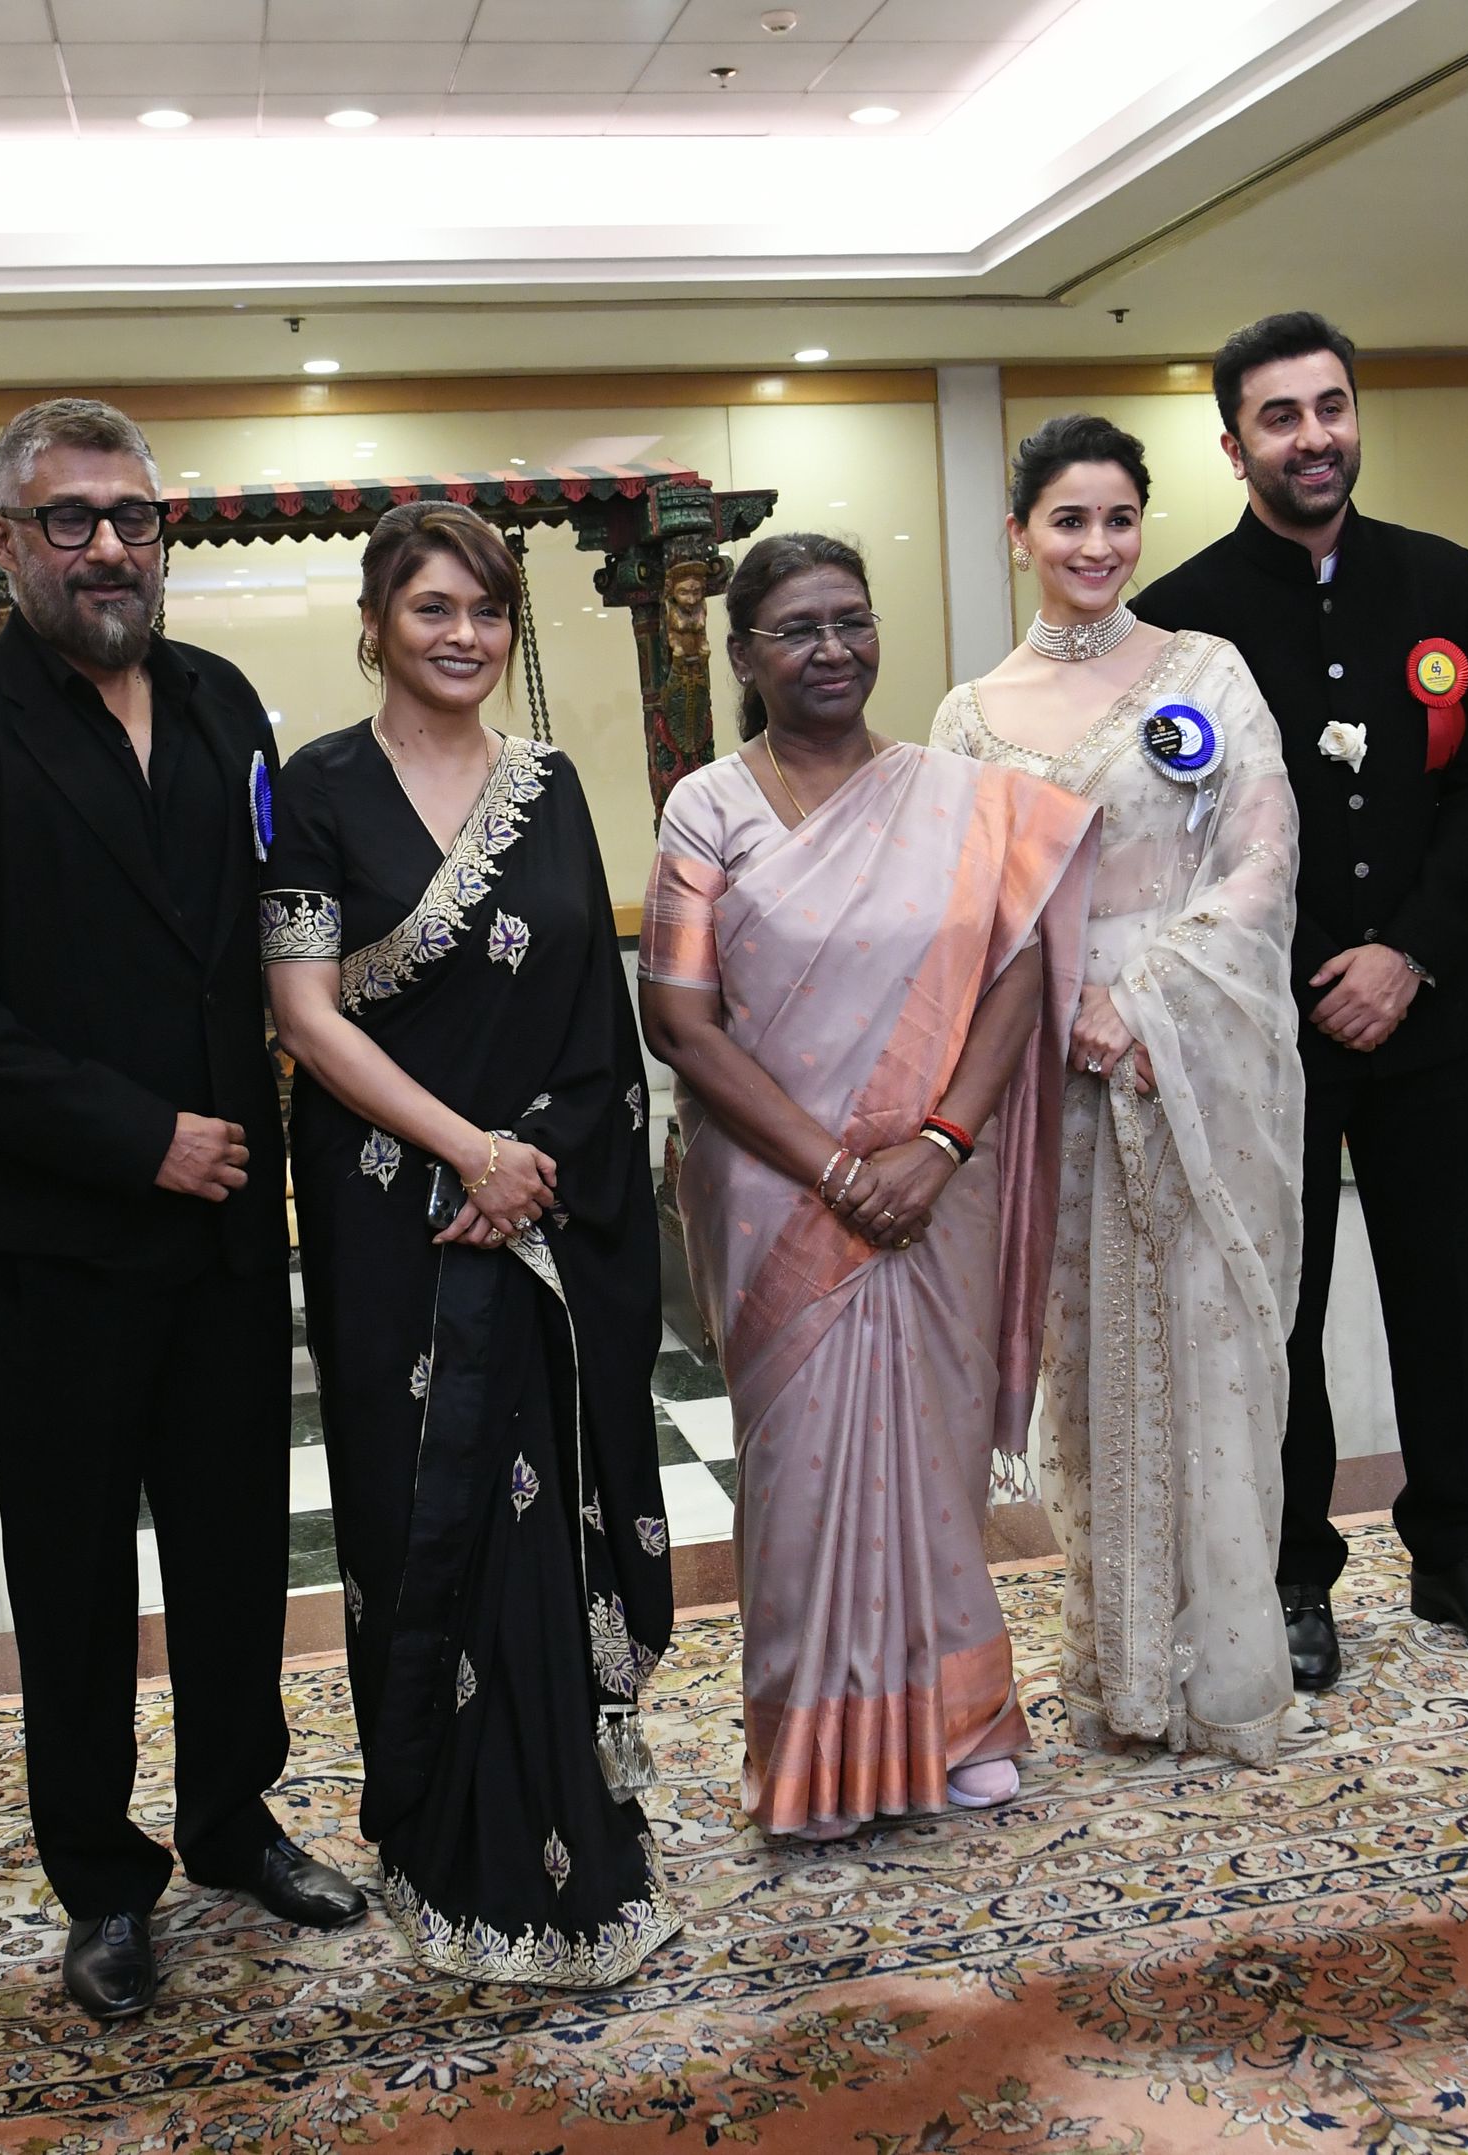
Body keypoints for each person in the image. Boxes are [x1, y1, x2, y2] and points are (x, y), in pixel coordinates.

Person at [0, 397, 363, 2024]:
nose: (105, 548)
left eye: (132, 519)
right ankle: (99, 1876)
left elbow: (281, 928)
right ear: (2, 541)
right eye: (68, 519)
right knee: (74, 1580)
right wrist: (137, 1137)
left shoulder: (226, 706)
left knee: (234, 1549)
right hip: (60, 1242)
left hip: (227, 1235)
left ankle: (233, 1821)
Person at [265, 500, 680, 1985]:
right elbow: (304, 1015)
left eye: (487, 610)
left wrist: (530, 1165)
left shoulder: (548, 784)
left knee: (542, 1502)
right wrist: (470, 1151)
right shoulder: (315, 788)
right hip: (393, 1206)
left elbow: (592, 1014)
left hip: (540, 1205)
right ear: (374, 623)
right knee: (414, 1496)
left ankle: (563, 1813)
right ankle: (439, 1830)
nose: (462, 635)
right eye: (431, 607)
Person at [640, 533, 1097, 1837]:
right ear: (744, 656)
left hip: (936, 1187)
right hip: (780, 1194)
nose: (832, 648)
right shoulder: (708, 808)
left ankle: (962, 1723)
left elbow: (1018, 971)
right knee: (802, 1475)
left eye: (851, 619)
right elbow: (679, 1019)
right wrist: (840, 1167)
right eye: (796, 629)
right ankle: (819, 1754)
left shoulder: (962, 799)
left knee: (936, 1460)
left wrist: (938, 1144)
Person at [1137, 310, 1468, 1688]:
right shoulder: (1181, 615)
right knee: (1287, 1306)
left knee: (1435, 1294)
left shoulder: (1442, 577)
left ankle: (1453, 1552)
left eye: (1331, 406)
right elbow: (1192, 834)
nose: (1313, 435)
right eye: (1281, 416)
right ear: (1234, 445)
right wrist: (1319, 964)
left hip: (1428, 1013)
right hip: (1270, 1027)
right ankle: (1295, 1569)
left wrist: (1408, 954)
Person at [928, 415, 1307, 1763]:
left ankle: (1215, 1668)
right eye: (1068, 520)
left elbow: (1261, 862)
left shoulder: (1206, 672)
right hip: (1048, 1076)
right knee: (1085, 1371)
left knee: (1205, 1352)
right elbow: (966, 913)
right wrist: (1054, 1019)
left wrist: (1142, 1001)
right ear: (1018, 534)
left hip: (1190, 1060)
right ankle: (1116, 1669)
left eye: (1119, 518)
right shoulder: (970, 716)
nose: (1097, 545)